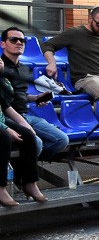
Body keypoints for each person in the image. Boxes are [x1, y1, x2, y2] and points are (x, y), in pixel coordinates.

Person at [2, 27, 70, 162]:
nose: (19, 43)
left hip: (25, 115)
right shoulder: (1, 67)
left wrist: (36, 98)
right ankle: (25, 174)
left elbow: (20, 95)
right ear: (3, 44)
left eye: (22, 40)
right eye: (13, 39)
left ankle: (27, 166)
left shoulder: (24, 69)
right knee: (36, 143)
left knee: (62, 140)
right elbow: (4, 100)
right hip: (6, 117)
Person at [41, 7, 99, 98]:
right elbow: (47, 45)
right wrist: (52, 62)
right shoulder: (75, 33)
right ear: (90, 19)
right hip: (87, 79)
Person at [0, 73, 46, 206]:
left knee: (28, 136)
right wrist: (5, 128)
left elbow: (7, 102)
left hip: (2, 120)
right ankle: (0, 188)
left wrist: (2, 76)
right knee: (4, 138)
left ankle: (29, 183)